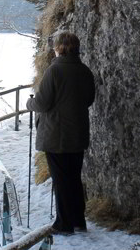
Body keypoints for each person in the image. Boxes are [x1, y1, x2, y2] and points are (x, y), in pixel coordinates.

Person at [27, 31, 96, 235]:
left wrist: (29, 103)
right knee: (73, 177)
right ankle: (78, 221)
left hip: (56, 135)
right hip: (78, 133)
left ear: (59, 48)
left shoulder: (54, 71)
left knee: (61, 180)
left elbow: (42, 102)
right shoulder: (84, 71)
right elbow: (89, 99)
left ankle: (63, 224)